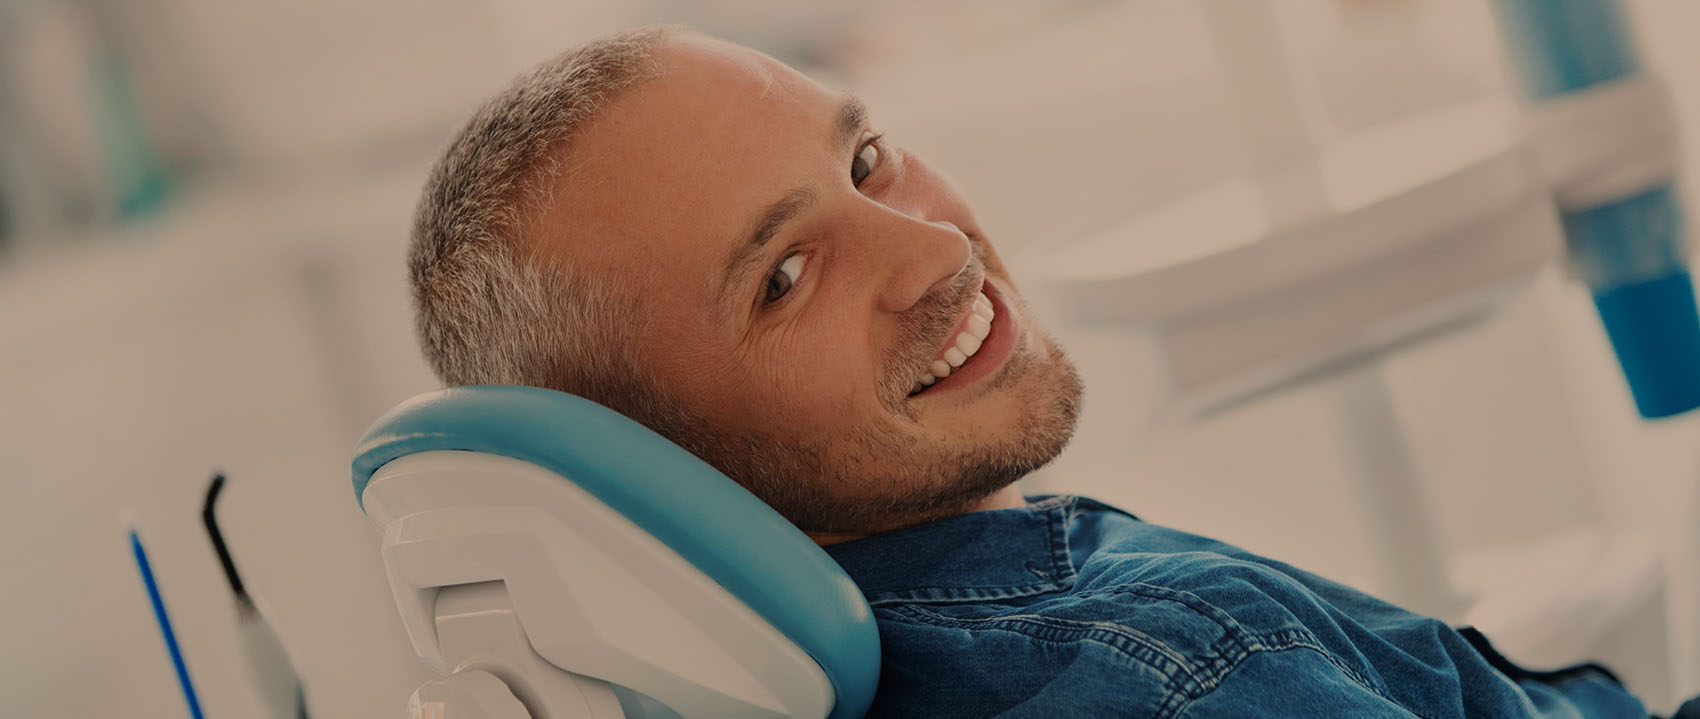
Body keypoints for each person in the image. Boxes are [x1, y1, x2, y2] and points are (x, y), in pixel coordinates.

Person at [406, 25, 1690, 719]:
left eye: (866, 162)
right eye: (782, 278)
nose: (931, 249)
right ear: (649, 470)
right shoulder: (1167, 676)